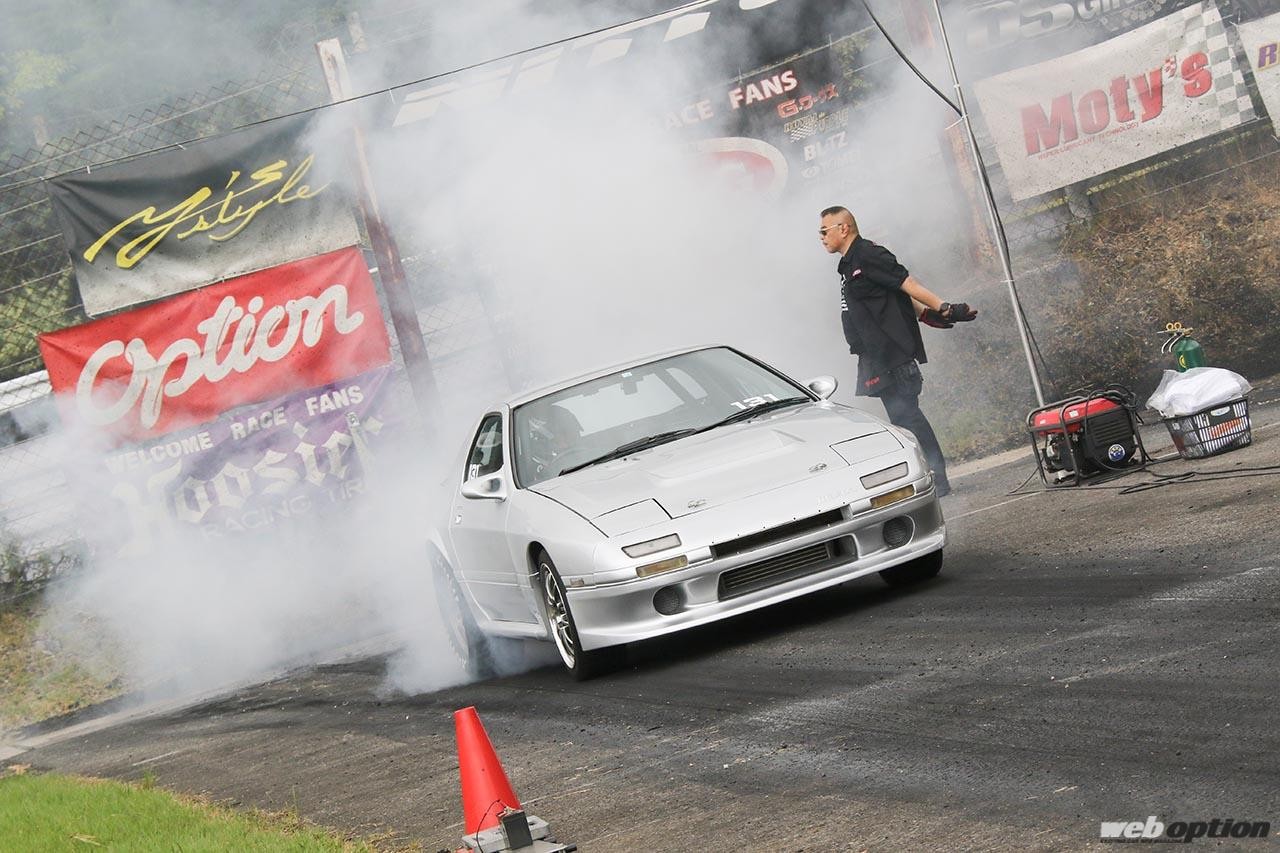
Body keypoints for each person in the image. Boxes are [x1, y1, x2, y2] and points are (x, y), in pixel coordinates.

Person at [818, 206, 977, 497]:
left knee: (908, 417)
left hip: (893, 352)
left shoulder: (869, 254)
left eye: (824, 230)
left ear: (844, 228)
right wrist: (925, 315)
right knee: (901, 420)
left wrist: (943, 308)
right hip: (875, 356)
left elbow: (907, 284)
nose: (821, 237)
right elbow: (891, 294)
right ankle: (929, 479)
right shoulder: (847, 263)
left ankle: (937, 481)